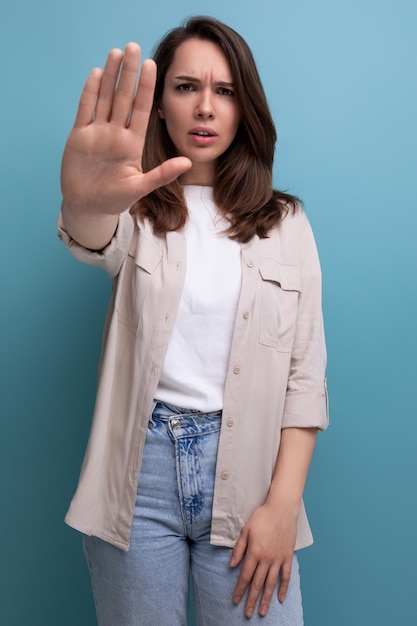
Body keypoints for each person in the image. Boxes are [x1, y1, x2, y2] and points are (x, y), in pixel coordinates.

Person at [58, 15, 328, 626]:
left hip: (248, 475)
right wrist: (85, 201)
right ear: (159, 107)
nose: (205, 107)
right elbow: (91, 237)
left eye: (224, 91)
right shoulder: (134, 211)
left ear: (244, 107)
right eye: (185, 87)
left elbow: (305, 381)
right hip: (138, 475)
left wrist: (283, 507)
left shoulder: (287, 224)